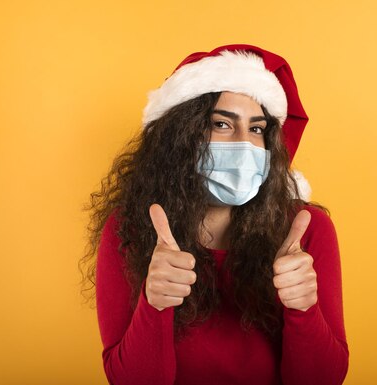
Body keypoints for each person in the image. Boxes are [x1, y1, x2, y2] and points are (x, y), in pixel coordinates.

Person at [80, 44, 348, 385]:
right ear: (180, 137)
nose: (243, 144)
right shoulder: (128, 229)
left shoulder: (307, 230)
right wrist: (155, 303)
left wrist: (304, 308)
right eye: (221, 124)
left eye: (256, 129)